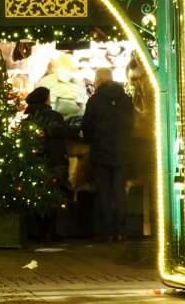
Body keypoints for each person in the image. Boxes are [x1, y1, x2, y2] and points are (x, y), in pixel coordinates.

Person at [81, 68, 134, 243]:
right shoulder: (126, 100)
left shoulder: (95, 100)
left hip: (101, 153)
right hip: (123, 152)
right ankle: (121, 230)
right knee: (119, 192)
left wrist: (90, 139)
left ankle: (106, 230)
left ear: (100, 81)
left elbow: (87, 126)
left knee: (103, 192)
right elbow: (131, 125)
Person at [22, 86, 79, 241]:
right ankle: (51, 232)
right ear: (45, 99)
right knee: (54, 196)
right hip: (54, 162)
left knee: (37, 195)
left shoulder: (28, 119)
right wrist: (78, 128)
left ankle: (39, 231)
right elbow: (64, 131)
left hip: (35, 163)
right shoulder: (53, 116)